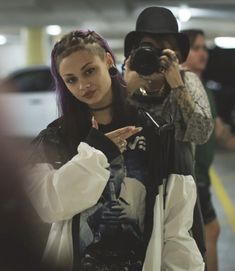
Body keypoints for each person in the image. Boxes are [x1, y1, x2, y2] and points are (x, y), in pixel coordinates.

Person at [25, 29, 204, 271]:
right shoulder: (56, 137)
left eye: (89, 71)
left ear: (108, 61)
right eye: (71, 79)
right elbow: (49, 206)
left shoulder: (156, 129)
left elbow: (177, 225)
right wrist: (96, 154)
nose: (83, 85)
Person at [122, 6, 214, 263]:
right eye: (147, 46)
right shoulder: (125, 83)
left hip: (177, 195)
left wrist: (177, 85)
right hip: (131, 192)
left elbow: (202, 132)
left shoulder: (188, 81)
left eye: (162, 48)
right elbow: (98, 132)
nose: (153, 55)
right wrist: (126, 89)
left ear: (174, 53)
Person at [181, 28, 235, 271]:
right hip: (189, 177)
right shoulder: (182, 87)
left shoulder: (205, 90)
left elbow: (220, 131)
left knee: (204, 236)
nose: (203, 53)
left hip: (201, 177)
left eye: (204, 48)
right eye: (196, 48)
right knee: (209, 233)